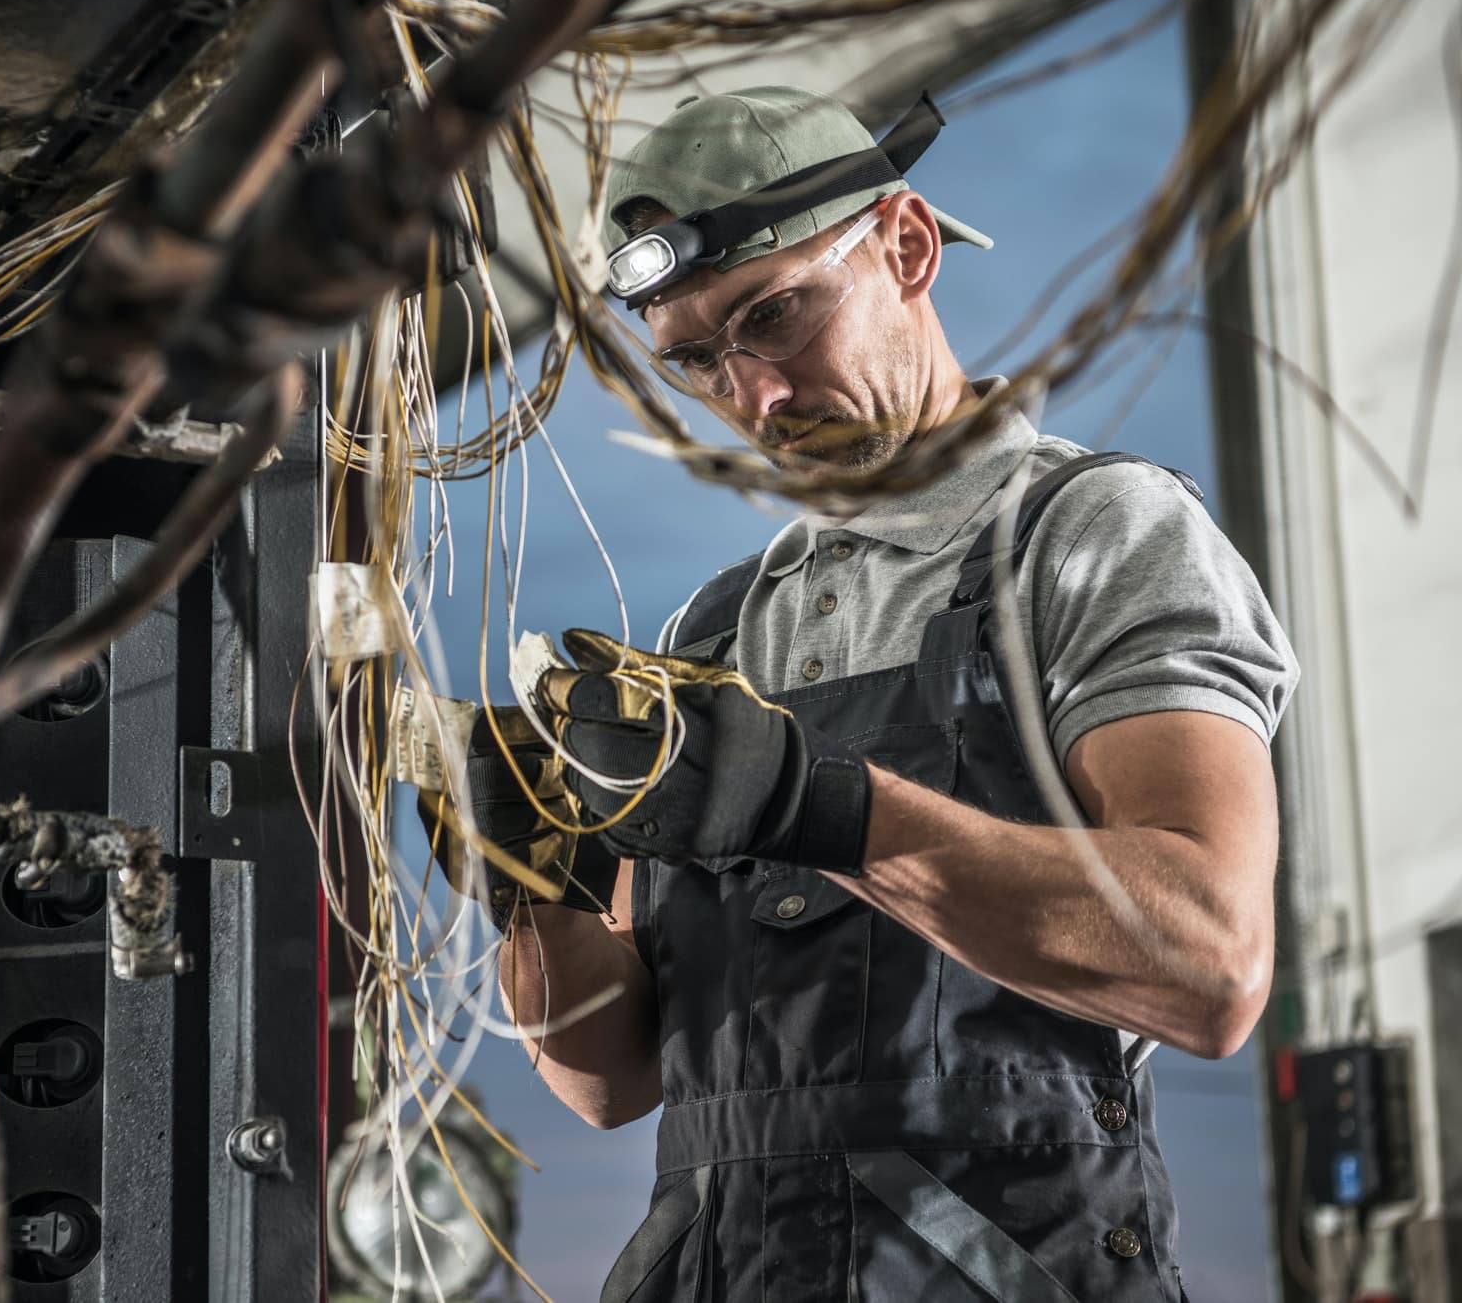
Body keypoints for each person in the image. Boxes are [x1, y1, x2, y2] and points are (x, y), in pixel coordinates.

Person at [420, 87, 1298, 1301]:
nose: (753, 399)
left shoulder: (1090, 534)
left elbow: (1207, 966)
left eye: (773, 317)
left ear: (904, 245)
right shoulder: (712, 630)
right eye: (693, 361)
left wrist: (819, 807)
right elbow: (610, 1082)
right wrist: (534, 883)